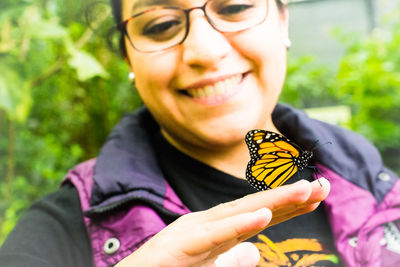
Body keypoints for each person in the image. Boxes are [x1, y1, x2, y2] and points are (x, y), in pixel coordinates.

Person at [1, 0, 399, 266]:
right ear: (128, 56)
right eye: (161, 25)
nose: (205, 51)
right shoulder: (64, 227)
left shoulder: (377, 185)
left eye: (235, 6)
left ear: (282, 18)